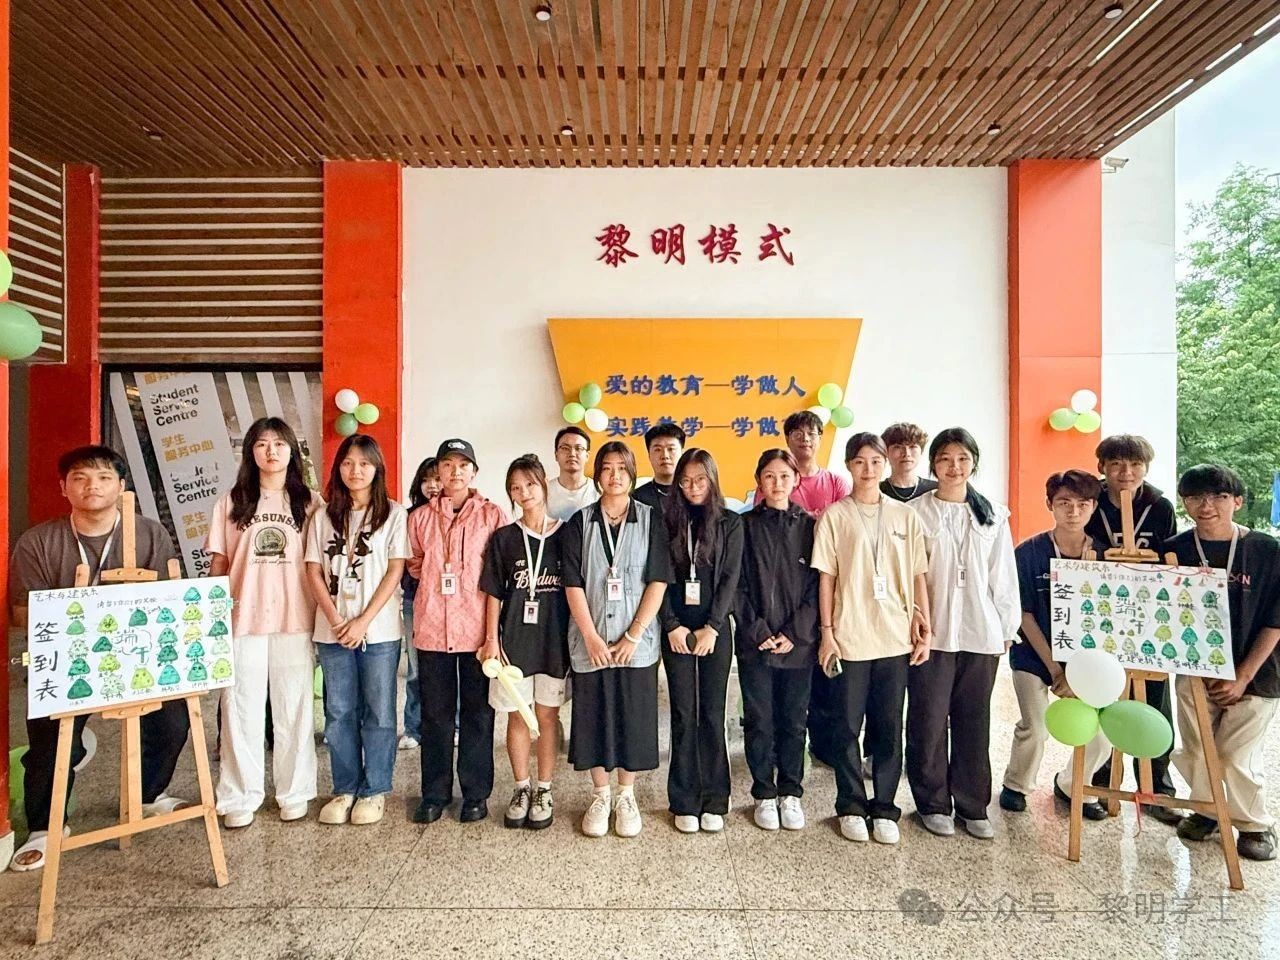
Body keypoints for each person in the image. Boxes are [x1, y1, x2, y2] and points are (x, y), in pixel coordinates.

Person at [8, 446, 192, 870]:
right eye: (80, 478)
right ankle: (45, 826)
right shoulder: (39, 542)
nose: (93, 486)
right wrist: (85, 615)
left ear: (121, 486)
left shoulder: (149, 534)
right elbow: (21, 613)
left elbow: (166, 601)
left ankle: (148, 795)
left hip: (136, 655)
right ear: (63, 487)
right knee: (50, 739)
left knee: (173, 723)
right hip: (65, 657)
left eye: (104, 478)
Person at [812, 432, 930, 845]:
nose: (869, 469)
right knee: (846, 725)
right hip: (850, 636)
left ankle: (884, 807)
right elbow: (826, 579)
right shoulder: (834, 516)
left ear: (886, 464)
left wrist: (924, 624)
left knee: (888, 726)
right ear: (849, 465)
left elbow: (918, 574)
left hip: (895, 637)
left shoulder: (905, 516)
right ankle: (850, 805)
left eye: (876, 461)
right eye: (860, 461)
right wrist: (827, 634)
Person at [207, 418, 322, 829]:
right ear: (250, 452)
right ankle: (240, 795)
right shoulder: (231, 502)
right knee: (239, 709)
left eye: (279, 443)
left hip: (296, 617)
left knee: (295, 708)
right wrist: (212, 618)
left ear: (292, 451)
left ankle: (295, 792)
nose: (270, 451)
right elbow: (219, 563)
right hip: (242, 618)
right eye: (261, 444)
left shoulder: (311, 502)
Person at [906, 428, 1019, 839]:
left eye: (962, 459)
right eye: (945, 459)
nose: (954, 467)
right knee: (928, 719)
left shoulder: (993, 515)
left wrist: (1007, 626)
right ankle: (932, 802)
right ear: (933, 464)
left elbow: (1003, 575)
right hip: (932, 634)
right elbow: (910, 575)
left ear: (974, 463)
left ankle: (973, 804)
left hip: (979, 631)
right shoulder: (915, 513)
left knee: (974, 720)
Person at [1168, 464, 1280, 862]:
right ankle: (1206, 811)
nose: (1207, 505)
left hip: (1257, 672)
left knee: (1233, 754)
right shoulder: (1174, 550)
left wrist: (1243, 676)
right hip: (1194, 671)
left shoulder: (1266, 550)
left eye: (1218, 496)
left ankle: (1254, 824)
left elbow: (1275, 620)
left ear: (1238, 501)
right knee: (1197, 748)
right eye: (1195, 497)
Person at [562, 441, 673, 838]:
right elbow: (572, 583)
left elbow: (658, 580)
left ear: (632, 473)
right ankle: (600, 795)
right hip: (590, 640)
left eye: (622, 468)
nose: (614, 476)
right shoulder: (579, 523)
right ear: (598, 475)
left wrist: (633, 634)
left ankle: (626, 795)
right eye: (607, 468)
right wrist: (591, 637)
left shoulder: (651, 519)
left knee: (633, 718)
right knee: (592, 717)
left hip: (636, 644)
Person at [305, 435, 409, 826]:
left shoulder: (393, 514)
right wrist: (336, 620)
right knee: (338, 712)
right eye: (348, 463)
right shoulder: (323, 516)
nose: (356, 470)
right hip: (332, 630)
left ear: (377, 468)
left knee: (379, 712)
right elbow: (313, 570)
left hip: (378, 631)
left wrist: (363, 621)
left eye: (364, 463)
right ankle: (345, 787)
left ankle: (375, 789)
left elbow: (395, 569)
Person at [999, 470, 1113, 820]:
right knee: (1035, 726)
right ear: (1050, 504)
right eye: (1064, 503)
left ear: (1093, 507)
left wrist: (1079, 673)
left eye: (1082, 504)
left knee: (1102, 734)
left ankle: (1072, 783)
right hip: (1034, 656)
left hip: (1088, 661)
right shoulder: (1028, 552)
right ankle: (1017, 784)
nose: (1073, 512)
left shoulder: (1106, 556)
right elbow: (1023, 614)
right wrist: (1055, 669)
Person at [408, 439, 508, 825]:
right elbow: (415, 564)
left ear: (474, 472)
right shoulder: (419, 518)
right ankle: (434, 794)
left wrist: (493, 635)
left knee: (478, 714)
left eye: (463, 465)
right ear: (437, 471)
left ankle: (475, 794)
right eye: (447, 464)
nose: (455, 472)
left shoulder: (492, 516)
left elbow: (501, 573)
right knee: (435, 716)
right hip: (433, 630)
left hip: (477, 632)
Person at [1084, 434, 1181, 821]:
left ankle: (1157, 788)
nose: (1126, 472)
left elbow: (1171, 556)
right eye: (1116, 464)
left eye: (1135, 465)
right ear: (1102, 468)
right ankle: (1099, 782)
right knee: (1105, 696)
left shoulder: (1159, 506)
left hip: (1146, 615)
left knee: (1153, 699)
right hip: (1103, 611)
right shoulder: (1091, 501)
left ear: (1146, 468)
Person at [480, 455, 572, 830]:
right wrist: (491, 639)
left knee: (547, 717)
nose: (524, 493)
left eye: (530, 484)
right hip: (513, 643)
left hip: (554, 643)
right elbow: (493, 592)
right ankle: (521, 787)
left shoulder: (567, 534)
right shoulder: (504, 538)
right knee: (517, 716)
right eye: (515, 488)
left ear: (543, 484)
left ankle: (544, 789)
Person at [660, 448, 743, 833]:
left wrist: (713, 627)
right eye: (686, 481)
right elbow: (658, 577)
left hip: (715, 630)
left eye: (700, 480)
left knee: (712, 712)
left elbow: (730, 579)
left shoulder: (730, 523)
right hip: (676, 630)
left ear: (712, 480)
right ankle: (684, 799)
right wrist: (671, 625)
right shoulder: (666, 521)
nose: (693, 487)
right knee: (683, 713)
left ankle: (715, 797)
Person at [737, 449, 818, 831]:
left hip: (797, 646)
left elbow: (819, 585)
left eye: (785, 476)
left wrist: (793, 633)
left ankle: (791, 791)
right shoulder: (744, 526)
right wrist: (758, 631)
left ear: (796, 479)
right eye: (769, 476)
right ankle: (764, 793)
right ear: (759, 481)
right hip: (755, 644)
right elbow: (735, 585)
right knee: (759, 720)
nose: (777, 483)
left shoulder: (811, 527)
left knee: (794, 721)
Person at [399, 457, 441, 751]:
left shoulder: (457, 515)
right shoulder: (408, 517)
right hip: (415, 600)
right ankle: (413, 728)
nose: (432, 485)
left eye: (437, 479)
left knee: (450, 670)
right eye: (426, 480)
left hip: (452, 605)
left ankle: (453, 726)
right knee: (416, 668)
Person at [547, 426, 598, 521]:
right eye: (565, 448)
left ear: (587, 456)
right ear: (556, 455)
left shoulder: (598, 491)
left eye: (578, 448)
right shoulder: (544, 492)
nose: (572, 454)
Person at [880, 422, 938, 503]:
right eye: (898, 447)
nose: (906, 453)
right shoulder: (876, 491)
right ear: (885, 452)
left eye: (912, 447)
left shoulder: (936, 490)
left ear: (921, 451)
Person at [632, 422, 685, 510]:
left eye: (671, 449)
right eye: (658, 450)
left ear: (682, 454)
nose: (665, 456)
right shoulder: (637, 498)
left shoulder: (694, 493)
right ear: (649, 455)